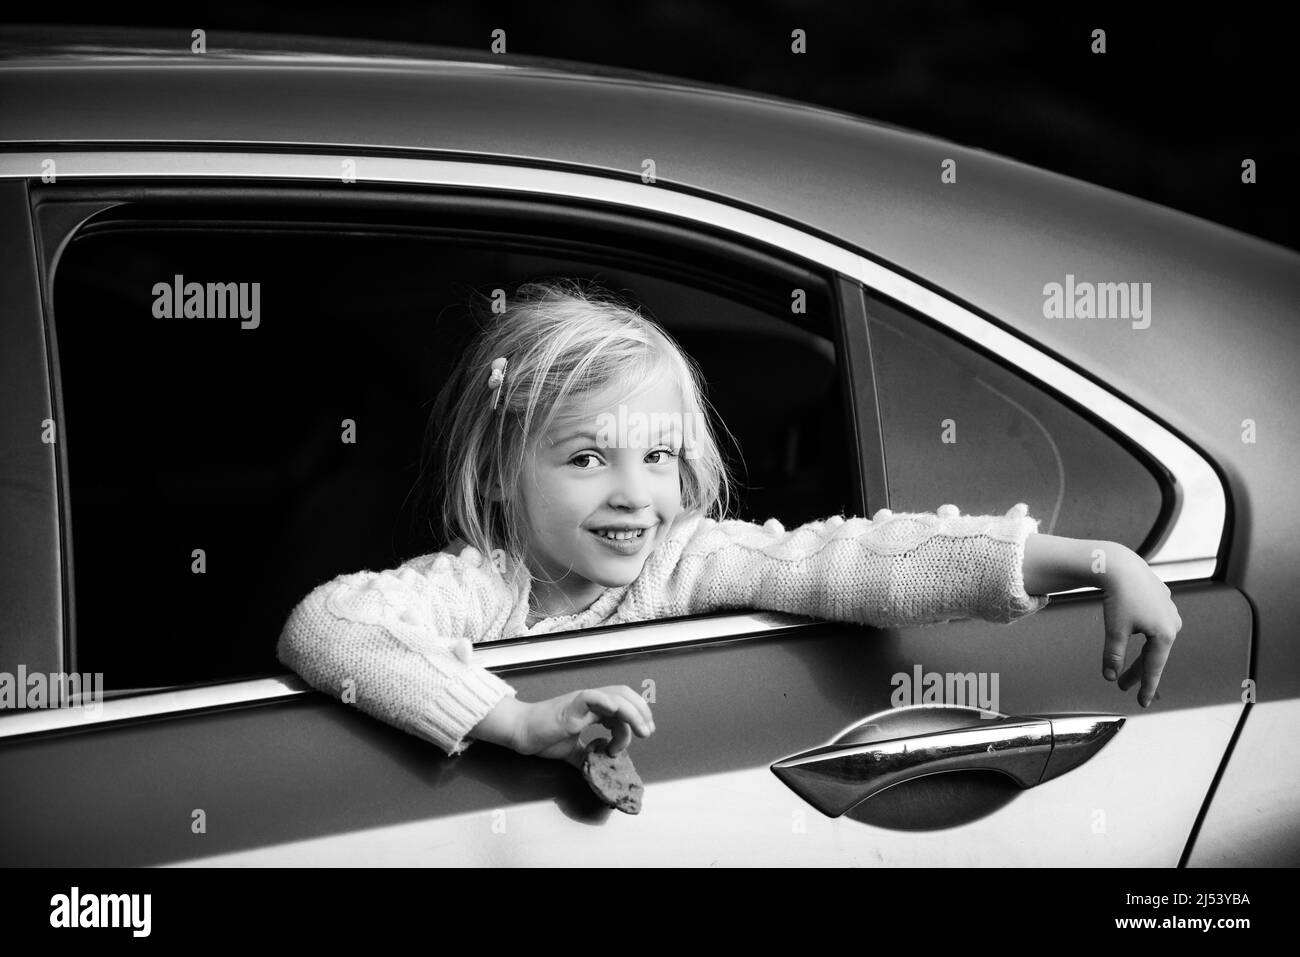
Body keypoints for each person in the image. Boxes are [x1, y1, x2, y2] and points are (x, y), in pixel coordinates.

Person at [276, 278, 1181, 768]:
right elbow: (329, 625)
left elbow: (860, 560)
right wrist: (513, 721)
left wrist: (1097, 559)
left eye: (658, 455)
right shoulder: (482, 585)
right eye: (589, 457)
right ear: (504, 475)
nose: (635, 493)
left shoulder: (688, 560)